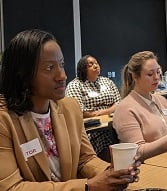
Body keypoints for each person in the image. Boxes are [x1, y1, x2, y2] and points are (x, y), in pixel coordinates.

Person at [0, 29, 139, 191]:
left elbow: (85, 160)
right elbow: (11, 187)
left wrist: (112, 173)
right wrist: (87, 186)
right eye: (50, 67)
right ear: (22, 74)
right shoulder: (4, 119)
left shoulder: (70, 108)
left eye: (62, 64)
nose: (62, 75)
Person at [113, 51, 167, 162]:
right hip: (152, 167)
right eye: (150, 74)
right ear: (135, 76)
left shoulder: (162, 100)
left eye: (158, 72)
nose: (156, 77)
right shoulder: (125, 109)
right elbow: (138, 152)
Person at [65, 55, 121, 159]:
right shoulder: (75, 85)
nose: (95, 66)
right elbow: (79, 112)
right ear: (82, 69)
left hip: (112, 123)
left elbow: (118, 103)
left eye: (96, 63)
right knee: (107, 139)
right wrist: (107, 111)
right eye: (90, 65)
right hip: (92, 129)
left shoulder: (107, 81)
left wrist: (101, 112)